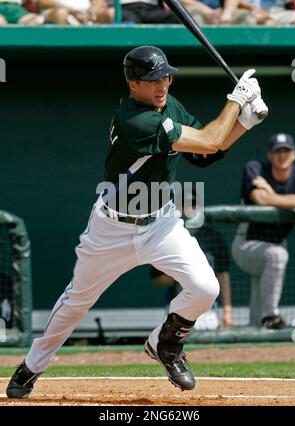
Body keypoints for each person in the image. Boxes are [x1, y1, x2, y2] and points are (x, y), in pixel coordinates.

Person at [6, 45, 267, 398]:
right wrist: (237, 100)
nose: (163, 85)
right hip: (112, 228)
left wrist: (244, 123)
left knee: (206, 288)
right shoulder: (135, 120)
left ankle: (165, 343)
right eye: (153, 79)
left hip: (162, 222)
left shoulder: (169, 105)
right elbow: (209, 138)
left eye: (166, 76)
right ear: (133, 84)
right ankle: (32, 366)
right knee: (76, 303)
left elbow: (206, 152)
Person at [232, 133, 295, 329]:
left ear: (294, 154)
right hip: (246, 244)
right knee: (277, 256)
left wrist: (270, 193)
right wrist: (288, 200)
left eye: (286, 150)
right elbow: (260, 200)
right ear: (270, 155)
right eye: (277, 151)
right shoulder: (256, 169)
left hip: (277, 242)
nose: (282, 155)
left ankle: (257, 337)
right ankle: (271, 316)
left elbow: (266, 197)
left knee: (258, 304)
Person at [151, 190, 234, 328]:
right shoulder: (168, 236)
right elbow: (157, 279)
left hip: (208, 312)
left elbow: (223, 275)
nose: (190, 209)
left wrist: (227, 311)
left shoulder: (213, 237)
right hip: (177, 307)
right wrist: (183, 273)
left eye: (194, 204)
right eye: (186, 205)